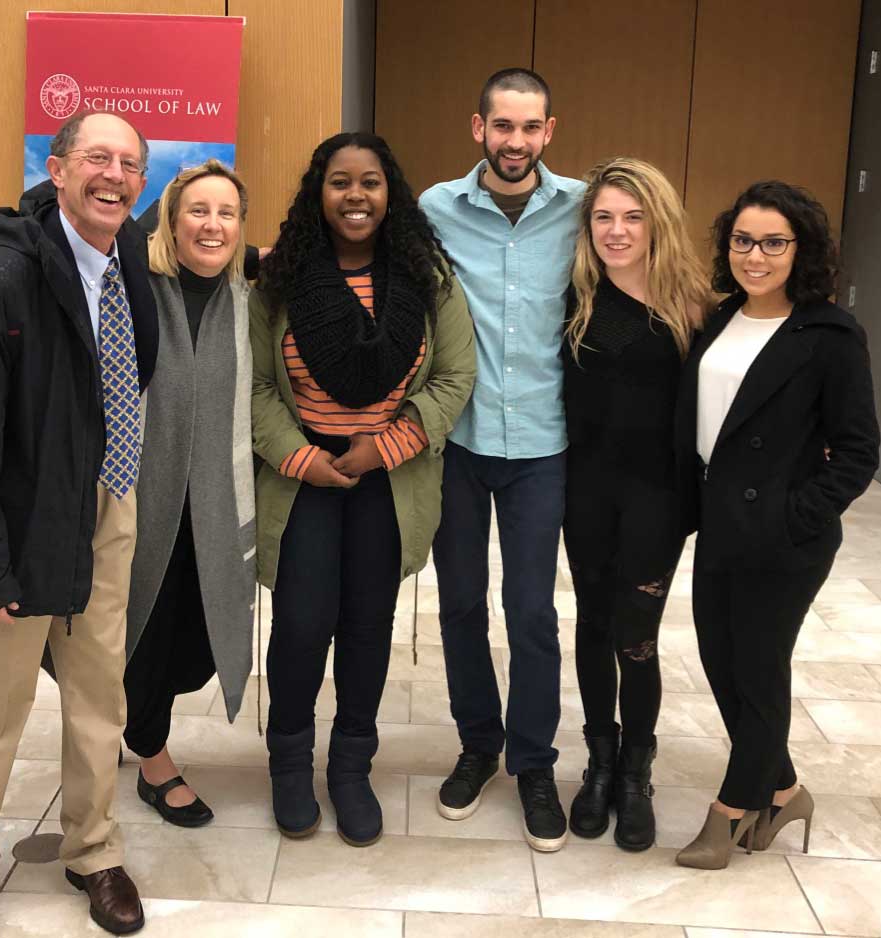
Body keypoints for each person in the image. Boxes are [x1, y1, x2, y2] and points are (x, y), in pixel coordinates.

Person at [0, 111, 156, 936]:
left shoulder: (128, 257)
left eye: (129, 163)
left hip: (105, 503)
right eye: (97, 157)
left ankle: (95, 848)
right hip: (14, 524)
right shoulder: (1, 282)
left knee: (98, 696)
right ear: (56, 171)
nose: (113, 175)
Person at [251, 131, 475, 847]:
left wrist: (385, 447)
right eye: (340, 182)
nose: (356, 196)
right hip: (304, 480)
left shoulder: (428, 278)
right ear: (318, 193)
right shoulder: (279, 281)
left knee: (367, 629)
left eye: (370, 182)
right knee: (301, 626)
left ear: (390, 193)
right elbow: (254, 386)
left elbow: (454, 379)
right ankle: (289, 763)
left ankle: (351, 768)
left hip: (387, 479)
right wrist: (300, 458)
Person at [674, 181, 880, 869]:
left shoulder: (830, 335)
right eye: (742, 240)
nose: (754, 255)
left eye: (773, 242)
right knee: (721, 663)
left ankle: (733, 810)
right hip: (719, 521)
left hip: (785, 533)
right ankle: (786, 790)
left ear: (801, 250)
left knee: (758, 669)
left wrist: (797, 515)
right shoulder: (718, 318)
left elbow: (858, 451)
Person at [419, 67, 585, 851]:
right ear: (476, 127)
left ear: (549, 132)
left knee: (531, 613)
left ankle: (535, 760)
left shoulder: (583, 208)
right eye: (502, 126)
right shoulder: (436, 209)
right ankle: (479, 744)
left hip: (543, 444)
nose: (515, 142)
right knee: (457, 605)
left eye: (530, 128)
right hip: (456, 440)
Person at [562, 157, 708, 850]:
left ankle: (636, 773)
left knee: (636, 638)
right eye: (604, 218)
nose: (617, 231)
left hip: (659, 496)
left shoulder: (697, 305)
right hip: (586, 490)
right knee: (591, 625)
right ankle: (599, 762)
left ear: (658, 222)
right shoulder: (574, 296)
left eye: (632, 217)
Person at [123, 160, 255, 826]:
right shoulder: (135, 289)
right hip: (139, 502)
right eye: (197, 210)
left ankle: (133, 716)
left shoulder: (247, 300)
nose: (212, 224)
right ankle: (151, 755)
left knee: (196, 637)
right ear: (170, 220)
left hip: (213, 503)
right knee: (143, 627)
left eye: (226, 213)